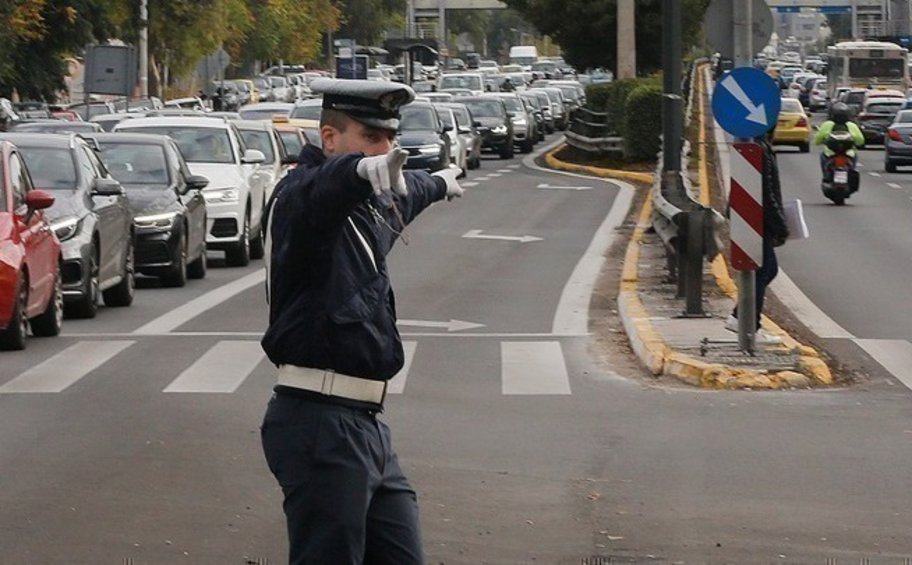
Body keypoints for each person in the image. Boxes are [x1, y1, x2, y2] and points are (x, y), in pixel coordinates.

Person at [259, 78, 464, 565]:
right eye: (371, 137)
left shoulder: (369, 204)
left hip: (366, 424)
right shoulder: (301, 200)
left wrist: (437, 183)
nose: (386, 149)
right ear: (329, 139)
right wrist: (359, 171)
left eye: (390, 138)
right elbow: (323, 188)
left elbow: (404, 192)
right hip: (318, 419)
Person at [725, 127, 789, 345]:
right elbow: (767, 194)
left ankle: (741, 318)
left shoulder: (758, 147)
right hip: (756, 221)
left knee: (765, 270)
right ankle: (748, 325)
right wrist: (780, 225)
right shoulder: (758, 149)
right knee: (764, 270)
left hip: (753, 219)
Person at [814, 101, 864, 179]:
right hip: (849, 154)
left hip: (829, 154)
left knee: (822, 157)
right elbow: (861, 141)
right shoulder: (852, 125)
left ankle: (826, 176)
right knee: (855, 158)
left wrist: (822, 141)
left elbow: (817, 140)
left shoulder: (827, 124)